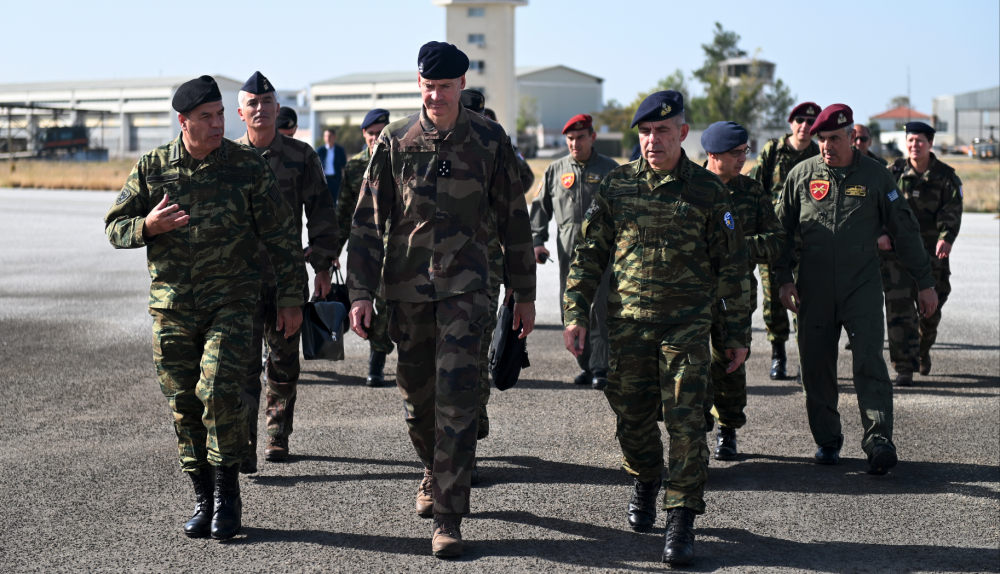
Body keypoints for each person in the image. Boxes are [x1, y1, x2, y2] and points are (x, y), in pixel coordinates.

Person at [346, 41, 536, 558]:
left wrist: (524, 293)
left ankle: (449, 517)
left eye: (445, 87)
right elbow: (367, 223)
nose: (436, 96)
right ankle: (433, 468)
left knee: (456, 398)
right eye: (428, 87)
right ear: (419, 84)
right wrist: (359, 292)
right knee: (417, 401)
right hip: (405, 290)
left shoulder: (489, 140)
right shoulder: (395, 139)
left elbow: (514, 221)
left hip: (467, 288)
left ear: (461, 85)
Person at [103, 75, 307, 540]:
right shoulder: (153, 167)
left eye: (219, 115)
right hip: (172, 307)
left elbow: (281, 236)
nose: (217, 125)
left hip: (232, 304)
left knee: (217, 392)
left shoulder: (246, 166)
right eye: (206, 118)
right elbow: (115, 226)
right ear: (184, 122)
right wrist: (148, 226)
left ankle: (228, 492)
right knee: (183, 403)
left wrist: (293, 298)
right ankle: (203, 495)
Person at [563, 91, 750, 567]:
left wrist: (735, 334)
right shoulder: (618, 186)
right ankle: (646, 478)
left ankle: (681, 518)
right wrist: (575, 312)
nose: (652, 141)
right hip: (628, 328)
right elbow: (588, 256)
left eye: (662, 132)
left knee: (687, 423)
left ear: (682, 133)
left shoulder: (709, 192)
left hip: (687, 328)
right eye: (645, 133)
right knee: (633, 419)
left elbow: (731, 267)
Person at [774, 104, 937, 475]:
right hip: (811, 287)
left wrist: (925, 283)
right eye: (821, 139)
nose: (827, 146)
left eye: (834, 138)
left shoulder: (877, 176)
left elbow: (905, 231)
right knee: (816, 366)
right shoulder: (801, 175)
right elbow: (780, 232)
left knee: (868, 360)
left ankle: (878, 440)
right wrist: (783, 277)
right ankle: (827, 440)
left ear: (852, 137)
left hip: (860, 284)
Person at [235, 71, 340, 468]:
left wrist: (323, 268)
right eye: (253, 104)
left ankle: (277, 434)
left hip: (285, 278)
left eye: (267, 104)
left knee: (282, 360)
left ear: (277, 110)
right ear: (241, 112)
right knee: (241, 365)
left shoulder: (300, 156)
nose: (260, 110)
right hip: (239, 282)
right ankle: (242, 442)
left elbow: (321, 214)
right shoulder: (225, 158)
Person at [460, 90, 533, 485]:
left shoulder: (495, 143)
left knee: (473, 359)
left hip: (485, 271)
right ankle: (465, 435)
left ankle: (467, 445)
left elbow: (522, 180)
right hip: (444, 276)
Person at [700, 121, 781, 460]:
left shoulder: (750, 191)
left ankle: (728, 429)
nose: (742, 159)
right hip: (690, 295)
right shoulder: (688, 187)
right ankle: (693, 431)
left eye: (745, 151)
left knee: (730, 362)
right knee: (690, 364)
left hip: (735, 296)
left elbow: (776, 239)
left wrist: (737, 246)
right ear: (712, 154)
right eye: (735, 153)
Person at [530, 113, 619, 389]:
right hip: (569, 253)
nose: (575, 143)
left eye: (580, 137)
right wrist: (537, 239)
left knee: (600, 309)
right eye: (570, 138)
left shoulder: (609, 169)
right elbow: (539, 208)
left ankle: (601, 367)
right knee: (569, 308)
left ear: (592, 137)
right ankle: (586, 364)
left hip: (603, 253)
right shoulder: (555, 170)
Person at [879, 121, 962, 385]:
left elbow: (952, 209)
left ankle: (922, 349)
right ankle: (904, 367)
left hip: (931, 255)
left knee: (930, 312)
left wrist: (946, 238)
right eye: (911, 140)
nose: (914, 145)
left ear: (930, 144)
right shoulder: (893, 172)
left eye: (920, 141)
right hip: (896, 254)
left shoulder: (946, 176)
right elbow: (877, 204)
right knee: (898, 310)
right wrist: (879, 233)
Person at [749, 101, 821, 380]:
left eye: (810, 123)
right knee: (774, 301)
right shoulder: (773, 151)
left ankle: (805, 357)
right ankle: (778, 354)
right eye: (800, 121)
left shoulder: (818, 153)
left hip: (806, 242)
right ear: (791, 123)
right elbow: (756, 189)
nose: (805, 127)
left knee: (805, 301)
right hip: (774, 240)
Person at [337, 108, 393, 387]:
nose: (375, 139)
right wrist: (331, 252)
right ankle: (378, 348)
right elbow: (344, 211)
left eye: (380, 133)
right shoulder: (355, 167)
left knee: (384, 304)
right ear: (364, 135)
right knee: (361, 302)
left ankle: (377, 358)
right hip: (363, 249)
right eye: (371, 134)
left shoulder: (400, 160)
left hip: (392, 250)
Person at [317, 127, 347, 206]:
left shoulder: (339, 150)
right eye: (326, 136)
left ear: (334, 137)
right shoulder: (320, 150)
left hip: (336, 179)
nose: (328, 138)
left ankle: (333, 217)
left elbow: (344, 165)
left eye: (330, 136)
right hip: (324, 179)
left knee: (334, 201)